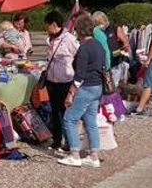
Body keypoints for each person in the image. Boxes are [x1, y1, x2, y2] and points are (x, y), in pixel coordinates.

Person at [58, 14, 106, 168]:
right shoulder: (98, 45)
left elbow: (79, 75)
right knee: (90, 121)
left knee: (69, 119)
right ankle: (94, 156)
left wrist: (71, 93)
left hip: (86, 87)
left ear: (79, 30)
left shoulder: (84, 48)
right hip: (97, 86)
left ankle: (74, 154)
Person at [43, 10, 79, 156]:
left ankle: (70, 143)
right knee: (54, 111)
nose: (46, 28)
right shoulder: (49, 39)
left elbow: (78, 54)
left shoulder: (68, 39)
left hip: (65, 80)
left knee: (65, 113)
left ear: (53, 24)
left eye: (47, 25)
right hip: (52, 80)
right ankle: (57, 139)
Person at [98, 12, 131, 85]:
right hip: (103, 65)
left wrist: (117, 52)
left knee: (114, 86)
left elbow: (126, 45)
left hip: (116, 63)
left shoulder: (114, 28)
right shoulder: (97, 31)